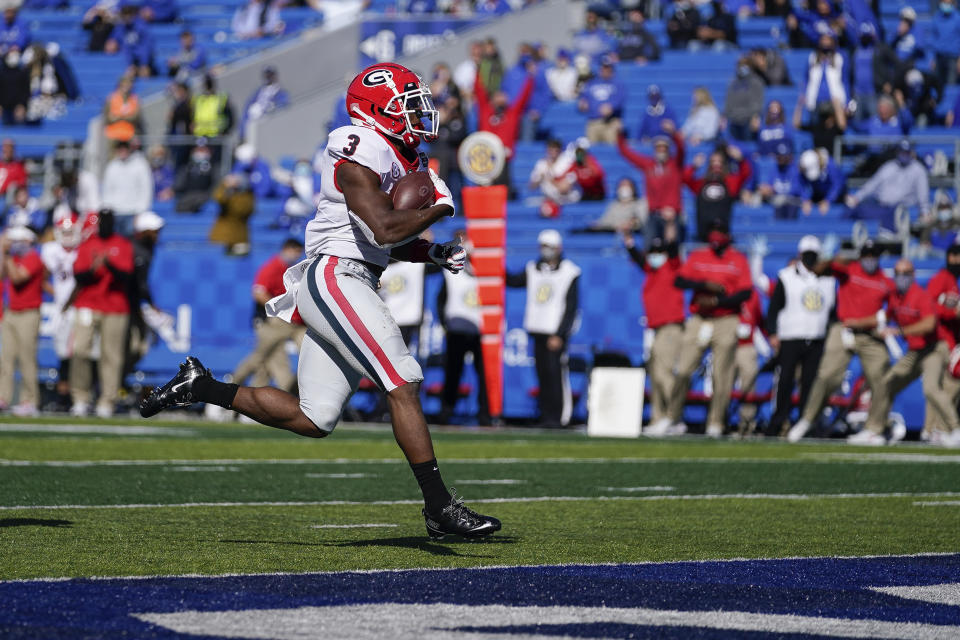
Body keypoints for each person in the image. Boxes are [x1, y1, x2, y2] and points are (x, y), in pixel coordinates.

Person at [140, 62, 501, 540]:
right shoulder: (357, 149)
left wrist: (432, 251)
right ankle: (439, 508)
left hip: (355, 275)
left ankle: (201, 387)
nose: (419, 113)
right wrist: (440, 205)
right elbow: (383, 228)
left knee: (314, 416)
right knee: (402, 379)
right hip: (335, 276)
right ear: (378, 111)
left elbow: (385, 243)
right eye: (407, 104)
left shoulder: (402, 158)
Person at [787, 240, 894, 442]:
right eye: (866, 255)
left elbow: (889, 312)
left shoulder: (884, 281)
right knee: (827, 376)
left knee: (881, 380)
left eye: (873, 255)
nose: (870, 259)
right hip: (843, 329)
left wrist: (866, 322)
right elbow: (819, 269)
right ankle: (808, 419)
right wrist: (835, 257)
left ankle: (875, 428)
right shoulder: (849, 270)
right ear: (860, 255)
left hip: (870, 334)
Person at [857, 259, 960, 445]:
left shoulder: (920, 296)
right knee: (887, 384)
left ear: (913, 275)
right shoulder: (895, 297)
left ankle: (956, 429)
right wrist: (857, 323)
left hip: (933, 349)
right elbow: (884, 316)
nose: (901, 278)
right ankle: (876, 430)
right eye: (897, 273)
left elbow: (929, 324)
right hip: (915, 352)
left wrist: (900, 331)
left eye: (905, 273)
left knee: (931, 389)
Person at [669, 219, 753, 436]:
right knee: (684, 369)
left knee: (721, 375)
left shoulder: (738, 259)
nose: (716, 236)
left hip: (726, 319)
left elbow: (746, 292)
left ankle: (715, 422)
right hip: (700, 318)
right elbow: (679, 281)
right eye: (713, 231)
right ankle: (672, 417)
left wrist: (718, 302)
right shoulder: (698, 256)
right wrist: (703, 285)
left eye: (720, 232)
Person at [506, 229, 580, 428]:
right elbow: (512, 281)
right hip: (537, 330)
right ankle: (547, 416)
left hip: (555, 333)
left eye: (549, 247)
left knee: (556, 375)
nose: (545, 250)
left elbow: (571, 307)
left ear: (558, 248)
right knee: (543, 375)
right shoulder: (533, 268)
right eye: (543, 246)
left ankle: (559, 417)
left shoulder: (569, 271)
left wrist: (560, 334)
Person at [764, 235, 836, 436]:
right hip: (790, 336)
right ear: (800, 255)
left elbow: (832, 310)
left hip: (816, 337)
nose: (810, 259)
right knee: (785, 380)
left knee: (810, 382)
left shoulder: (828, 280)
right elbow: (774, 307)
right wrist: (772, 333)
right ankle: (779, 420)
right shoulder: (786, 275)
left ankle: (806, 422)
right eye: (807, 255)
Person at [70, 209, 134, 418]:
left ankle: (107, 400)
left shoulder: (122, 245)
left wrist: (109, 264)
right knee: (80, 350)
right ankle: (80, 397)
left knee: (111, 355)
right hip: (88, 303)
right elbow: (79, 275)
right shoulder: (88, 245)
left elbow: (127, 276)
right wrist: (94, 268)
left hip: (115, 306)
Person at [622, 234, 684, 435]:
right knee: (656, 374)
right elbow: (640, 258)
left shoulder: (672, 268)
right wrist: (629, 242)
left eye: (659, 252)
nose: (655, 256)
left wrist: (671, 230)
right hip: (657, 329)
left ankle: (674, 417)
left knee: (664, 373)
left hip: (671, 327)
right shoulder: (651, 271)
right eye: (653, 253)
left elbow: (674, 250)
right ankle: (659, 417)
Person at [231, 239, 307, 391]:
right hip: (276, 321)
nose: (297, 255)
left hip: (297, 323)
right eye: (295, 251)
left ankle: (287, 397)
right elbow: (258, 293)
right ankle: (230, 386)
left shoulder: (294, 269)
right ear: (286, 249)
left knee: (309, 355)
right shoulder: (272, 267)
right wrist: (280, 309)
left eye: (299, 251)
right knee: (262, 359)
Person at [436, 241, 488, 425]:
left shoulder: (487, 276)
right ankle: (446, 412)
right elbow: (441, 301)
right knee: (452, 374)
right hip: (457, 331)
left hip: (481, 333)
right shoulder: (451, 274)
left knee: (484, 375)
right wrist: (445, 325)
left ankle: (485, 415)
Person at [617, 119, 685, 245]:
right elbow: (626, 153)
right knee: (649, 248)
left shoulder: (675, 165)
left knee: (673, 249)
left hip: (671, 214)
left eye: (664, 148)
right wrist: (620, 135)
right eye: (658, 148)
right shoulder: (648, 165)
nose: (661, 151)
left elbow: (681, 148)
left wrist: (673, 133)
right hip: (653, 214)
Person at [0, 226, 44, 416]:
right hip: (11, 312)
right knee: (6, 358)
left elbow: (17, 278)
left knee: (27, 358)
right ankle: (3, 397)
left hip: (28, 313)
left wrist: (7, 256)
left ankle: (30, 400)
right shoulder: (15, 259)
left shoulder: (34, 258)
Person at [41, 213, 82, 411]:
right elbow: (42, 278)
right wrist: (57, 294)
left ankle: (78, 395)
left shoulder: (82, 250)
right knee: (64, 353)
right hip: (62, 309)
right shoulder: (51, 250)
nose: (67, 236)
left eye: (70, 232)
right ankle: (64, 395)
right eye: (64, 232)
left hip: (81, 308)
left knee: (80, 353)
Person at [846, 140, 929, 233]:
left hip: (901, 209)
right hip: (881, 206)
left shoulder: (918, 170)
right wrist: (857, 197)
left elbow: (923, 194)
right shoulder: (889, 166)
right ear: (898, 152)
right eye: (902, 151)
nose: (904, 154)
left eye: (907, 152)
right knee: (854, 211)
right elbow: (873, 184)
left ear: (912, 152)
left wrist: (924, 211)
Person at [925, 245, 960, 446]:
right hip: (941, 340)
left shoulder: (953, 282)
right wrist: (952, 313)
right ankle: (939, 428)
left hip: (950, 340)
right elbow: (930, 306)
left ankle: (934, 429)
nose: (956, 260)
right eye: (954, 255)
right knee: (948, 386)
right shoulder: (941, 279)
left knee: (942, 386)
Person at [124, 210, 167, 375]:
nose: (157, 234)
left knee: (138, 347)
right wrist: (149, 303)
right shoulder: (136, 250)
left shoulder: (146, 249)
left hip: (132, 304)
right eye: (154, 231)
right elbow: (138, 283)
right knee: (131, 345)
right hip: (126, 305)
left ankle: (120, 382)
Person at [683, 144, 752, 241]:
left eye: (720, 162)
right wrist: (694, 166)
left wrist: (740, 159)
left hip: (722, 235)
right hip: (703, 236)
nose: (716, 165)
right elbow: (685, 178)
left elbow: (745, 173)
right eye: (713, 162)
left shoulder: (730, 183)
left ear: (724, 165)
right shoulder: (700, 184)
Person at [101, 140, 153, 235]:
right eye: (120, 149)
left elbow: (146, 189)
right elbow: (107, 190)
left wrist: (141, 211)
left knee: (130, 242)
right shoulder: (112, 166)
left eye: (125, 149)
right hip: (115, 212)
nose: (123, 152)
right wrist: (107, 209)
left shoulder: (140, 165)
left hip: (132, 212)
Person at [577, 56, 625, 144]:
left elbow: (620, 99)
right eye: (603, 67)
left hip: (610, 122)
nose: (605, 70)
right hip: (593, 122)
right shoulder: (592, 83)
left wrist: (611, 107)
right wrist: (582, 104)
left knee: (612, 147)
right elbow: (584, 98)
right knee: (591, 149)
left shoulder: (617, 83)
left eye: (607, 67)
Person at [191, 74, 234, 165]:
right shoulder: (198, 99)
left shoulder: (221, 98)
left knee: (216, 164)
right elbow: (193, 116)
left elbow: (230, 117)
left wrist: (225, 131)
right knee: (200, 164)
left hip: (216, 136)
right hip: (200, 136)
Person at [209, 172, 255, 256]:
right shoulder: (227, 193)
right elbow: (218, 197)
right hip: (223, 236)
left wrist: (234, 194)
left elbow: (240, 210)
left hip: (239, 237)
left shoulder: (247, 197)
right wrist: (224, 186)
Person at [105, 3, 155, 77]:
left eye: (128, 14)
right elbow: (115, 41)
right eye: (124, 14)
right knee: (128, 74)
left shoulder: (141, 26)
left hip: (143, 57)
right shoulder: (120, 27)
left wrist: (144, 63)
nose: (127, 17)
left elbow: (146, 46)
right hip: (129, 59)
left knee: (144, 72)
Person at [240, 66, 290, 139]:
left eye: (270, 75)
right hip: (254, 129)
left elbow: (283, 108)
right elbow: (246, 113)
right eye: (267, 75)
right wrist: (242, 134)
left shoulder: (281, 93)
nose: (269, 78)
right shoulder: (257, 94)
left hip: (271, 129)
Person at [723, 58, 766, 141]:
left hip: (748, 121)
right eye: (740, 65)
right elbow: (728, 101)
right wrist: (725, 115)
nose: (742, 67)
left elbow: (758, 101)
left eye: (745, 65)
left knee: (747, 146)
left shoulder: (756, 82)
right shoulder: (733, 82)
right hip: (734, 120)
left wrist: (755, 116)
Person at [758, 143, 803, 219]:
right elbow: (767, 185)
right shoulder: (773, 168)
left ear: (789, 157)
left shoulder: (795, 169)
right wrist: (766, 189)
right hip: (776, 199)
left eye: (784, 157)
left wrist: (775, 191)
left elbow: (796, 189)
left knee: (786, 203)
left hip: (791, 200)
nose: (782, 159)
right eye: (780, 157)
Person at [797, 148, 844, 215]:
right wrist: (805, 200)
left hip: (836, 196)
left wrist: (827, 201)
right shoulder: (802, 167)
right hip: (817, 193)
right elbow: (801, 183)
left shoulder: (831, 165)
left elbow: (837, 185)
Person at [174, 138, 216, 213]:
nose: (200, 152)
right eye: (198, 149)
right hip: (188, 195)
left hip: (205, 196)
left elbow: (216, 184)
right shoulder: (187, 166)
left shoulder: (214, 167)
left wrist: (208, 195)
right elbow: (179, 184)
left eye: (203, 149)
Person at [102, 76, 141, 146]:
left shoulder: (134, 99)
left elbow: (135, 117)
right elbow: (108, 118)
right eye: (124, 83)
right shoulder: (111, 98)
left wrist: (119, 116)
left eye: (129, 84)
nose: (127, 86)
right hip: (113, 135)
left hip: (130, 134)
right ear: (120, 85)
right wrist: (126, 116)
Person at [930, 0, 960, 86]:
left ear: (953, 3)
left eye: (948, 3)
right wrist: (932, 58)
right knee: (938, 85)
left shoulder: (957, 18)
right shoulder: (937, 17)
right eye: (944, 2)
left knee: (951, 85)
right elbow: (933, 39)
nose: (946, 5)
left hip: (953, 58)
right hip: (939, 57)